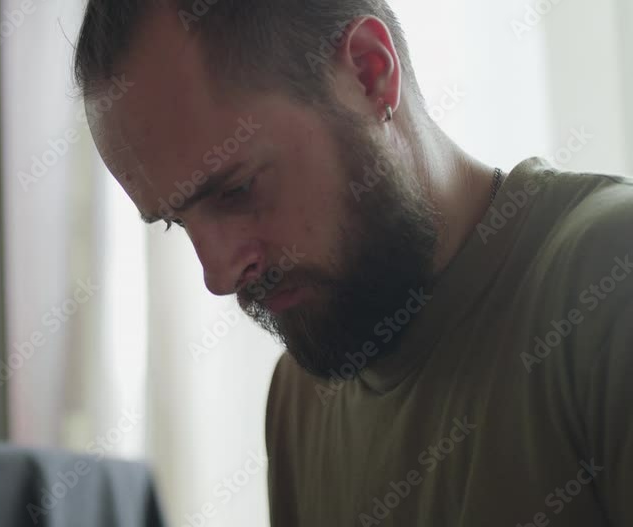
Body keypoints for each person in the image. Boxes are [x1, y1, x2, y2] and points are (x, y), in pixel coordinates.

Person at [72, 1, 632, 525]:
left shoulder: (608, 283)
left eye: (237, 190)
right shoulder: (301, 396)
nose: (218, 277)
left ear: (369, 74)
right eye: (175, 220)